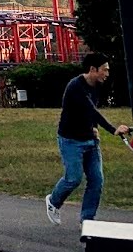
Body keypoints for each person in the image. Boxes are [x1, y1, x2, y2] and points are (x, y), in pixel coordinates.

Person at [46, 52, 130, 226]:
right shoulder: (75, 86)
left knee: (97, 180)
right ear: (93, 69)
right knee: (73, 178)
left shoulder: (97, 85)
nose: (107, 74)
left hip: (90, 140)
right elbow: (91, 110)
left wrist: (93, 128)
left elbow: (89, 112)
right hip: (71, 140)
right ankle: (53, 201)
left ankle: (87, 220)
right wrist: (114, 129)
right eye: (104, 70)